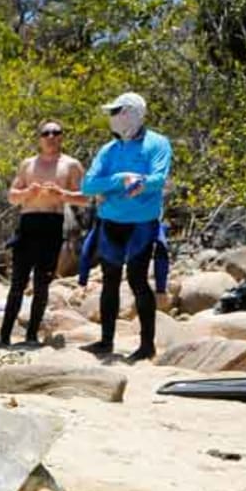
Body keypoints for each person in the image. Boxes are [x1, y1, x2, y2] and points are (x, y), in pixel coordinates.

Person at [79, 92, 172, 363]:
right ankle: (106, 340)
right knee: (109, 280)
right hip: (111, 223)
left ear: (132, 112)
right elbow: (88, 185)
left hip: (141, 224)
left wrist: (140, 183)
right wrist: (120, 179)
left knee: (137, 279)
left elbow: (158, 178)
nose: (111, 117)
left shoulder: (157, 143)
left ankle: (147, 346)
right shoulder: (109, 150)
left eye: (116, 111)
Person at [0, 119, 88, 349]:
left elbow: (85, 198)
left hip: (52, 223)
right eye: (47, 133)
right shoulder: (28, 165)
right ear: (39, 137)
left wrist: (61, 193)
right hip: (28, 223)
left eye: (56, 132)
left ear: (62, 136)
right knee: (17, 282)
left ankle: (32, 334)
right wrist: (28, 191)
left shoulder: (71, 165)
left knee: (42, 282)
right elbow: (12, 196)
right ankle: (4, 335)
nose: (52, 137)